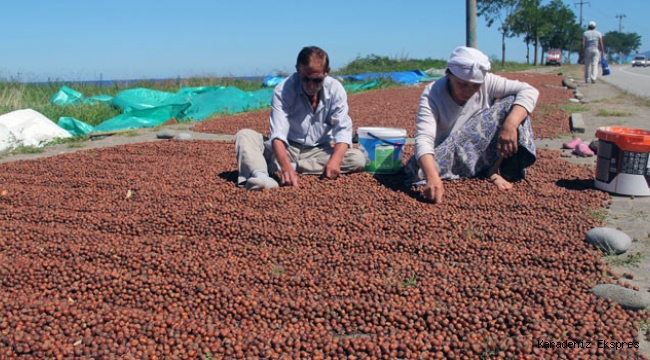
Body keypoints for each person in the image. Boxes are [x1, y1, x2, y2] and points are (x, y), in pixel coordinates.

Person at [404, 46, 539, 204]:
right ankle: (479, 171)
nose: (469, 90)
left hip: (478, 148)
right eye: (462, 84)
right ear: (449, 75)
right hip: (446, 152)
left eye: (475, 86)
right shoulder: (432, 93)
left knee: (515, 106)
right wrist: (432, 177)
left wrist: (510, 125)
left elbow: (529, 91)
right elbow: (424, 138)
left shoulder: (488, 82)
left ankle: (494, 169)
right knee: (417, 171)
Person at [235, 46, 366, 190]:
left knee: (357, 159)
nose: (311, 85)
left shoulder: (336, 90)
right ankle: (261, 176)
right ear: (298, 69)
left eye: (317, 80)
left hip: (319, 149)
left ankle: (281, 166)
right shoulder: (283, 90)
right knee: (245, 136)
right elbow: (277, 134)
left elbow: (343, 130)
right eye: (305, 79)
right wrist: (285, 168)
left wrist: (335, 161)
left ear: (327, 72)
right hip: (288, 147)